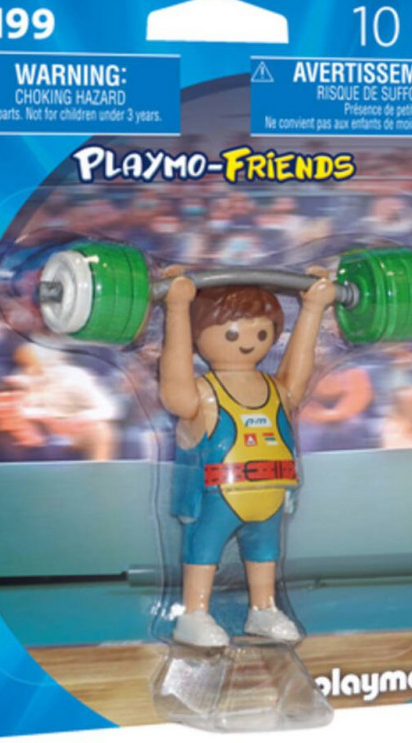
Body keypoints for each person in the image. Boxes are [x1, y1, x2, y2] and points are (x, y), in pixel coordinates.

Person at [159, 271, 336, 647]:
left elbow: (298, 371)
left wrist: (313, 309)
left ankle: (264, 609)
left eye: (261, 333)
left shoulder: (276, 388)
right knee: (203, 551)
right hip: (217, 496)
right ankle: (194, 613)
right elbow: (174, 387)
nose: (247, 343)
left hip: (269, 495)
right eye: (232, 334)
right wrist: (177, 308)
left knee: (265, 552)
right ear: (199, 334)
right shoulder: (203, 393)